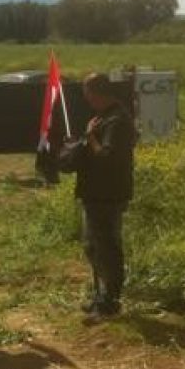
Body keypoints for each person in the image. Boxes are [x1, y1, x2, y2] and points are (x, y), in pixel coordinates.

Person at [70, 73, 135, 319]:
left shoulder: (117, 120)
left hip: (108, 195)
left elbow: (108, 157)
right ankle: (101, 296)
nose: (86, 100)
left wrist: (89, 138)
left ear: (97, 93)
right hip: (96, 193)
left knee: (107, 248)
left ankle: (110, 302)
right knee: (93, 246)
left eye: (88, 95)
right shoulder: (107, 116)